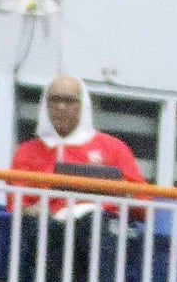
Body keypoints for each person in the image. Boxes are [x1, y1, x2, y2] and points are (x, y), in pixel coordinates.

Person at [8, 75, 145, 198]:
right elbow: (15, 203)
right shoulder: (26, 152)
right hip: (47, 223)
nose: (61, 107)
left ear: (82, 105)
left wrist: (118, 191)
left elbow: (143, 201)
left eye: (69, 101)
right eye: (55, 100)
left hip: (99, 221)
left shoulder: (114, 148)